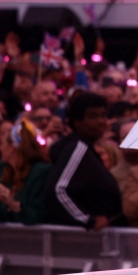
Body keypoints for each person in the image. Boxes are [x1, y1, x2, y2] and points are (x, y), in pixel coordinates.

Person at [44, 93, 123, 229]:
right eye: (93, 116)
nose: (101, 121)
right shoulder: (77, 148)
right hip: (88, 241)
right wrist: (87, 220)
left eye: (103, 115)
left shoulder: (85, 148)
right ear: (77, 122)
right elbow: (58, 190)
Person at [0, 119, 50, 225]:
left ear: (13, 148)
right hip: (6, 238)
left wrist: (13, 203)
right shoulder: (1, 170)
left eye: (2, 144)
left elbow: (38, 215)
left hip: (34, 238)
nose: (0, 148)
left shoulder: (41, 172)